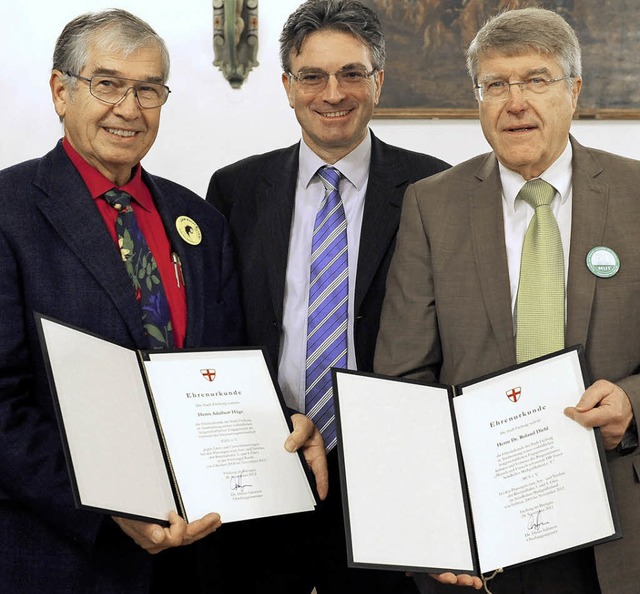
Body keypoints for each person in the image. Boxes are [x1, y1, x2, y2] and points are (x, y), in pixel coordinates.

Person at [0, 9, 327, 593]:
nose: (129, 108)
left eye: (148, 89)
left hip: (196, 556)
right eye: (107, 84)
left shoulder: (197, 219)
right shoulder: (8, 211)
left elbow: (224, 369)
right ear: (60, 90)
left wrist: (275, 428)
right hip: (63, 557)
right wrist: (106, 506)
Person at [375, 7, 639, 594]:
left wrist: (633, 403)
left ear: (574, 90)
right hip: (481, 531)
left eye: (536, 80)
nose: (515, 102)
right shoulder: (431, 205)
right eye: (496, 84)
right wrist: (430, 525)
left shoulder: (636, 195)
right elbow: (402, 378)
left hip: (622, 525)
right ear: (478, 99)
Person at [204, 1, 449, 592]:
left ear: (379, 82)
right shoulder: (235, 188)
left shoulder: (435, 188)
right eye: (312, 76)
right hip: (269, 458)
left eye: (352, 73)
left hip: (390, 474)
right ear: (288, 86)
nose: (332, 93)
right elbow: (220, 332)